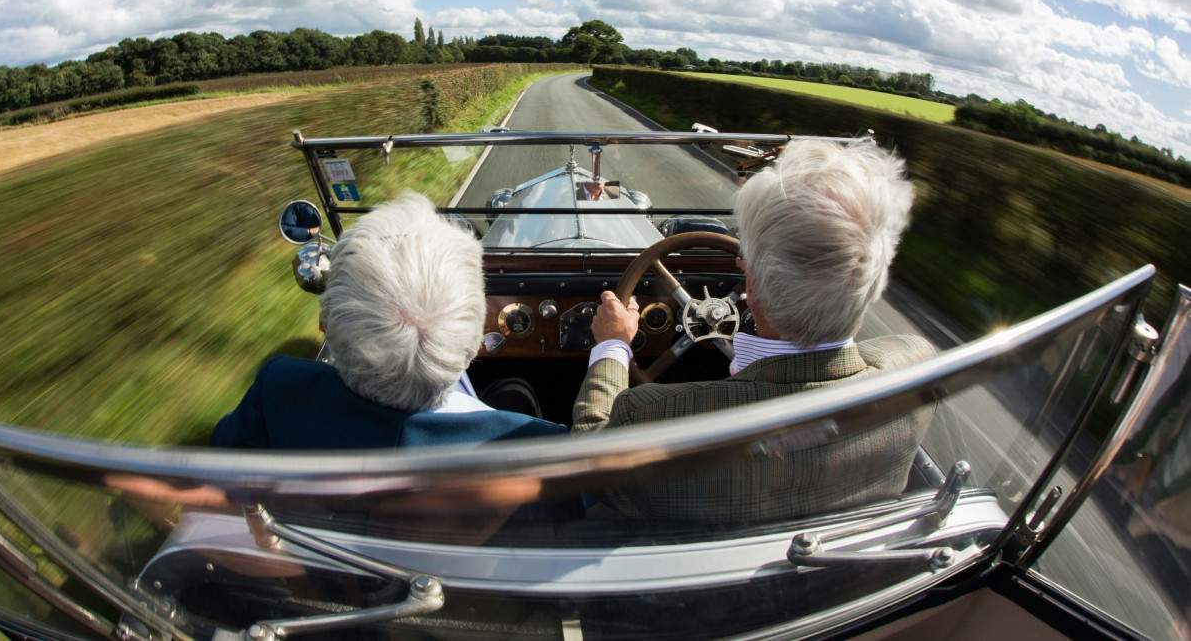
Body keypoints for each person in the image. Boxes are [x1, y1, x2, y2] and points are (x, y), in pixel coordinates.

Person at [572, 139, 935, 523]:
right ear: (874, 280)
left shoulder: (650, 415)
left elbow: (589, 462)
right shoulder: (918, 369)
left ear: (754, 287)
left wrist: (612, 346)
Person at [213, 192, 566, 449]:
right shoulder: (536, 442)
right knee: (516, 393)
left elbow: (226, 461)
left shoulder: (276, 389)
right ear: (475, 346)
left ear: (324, 324)